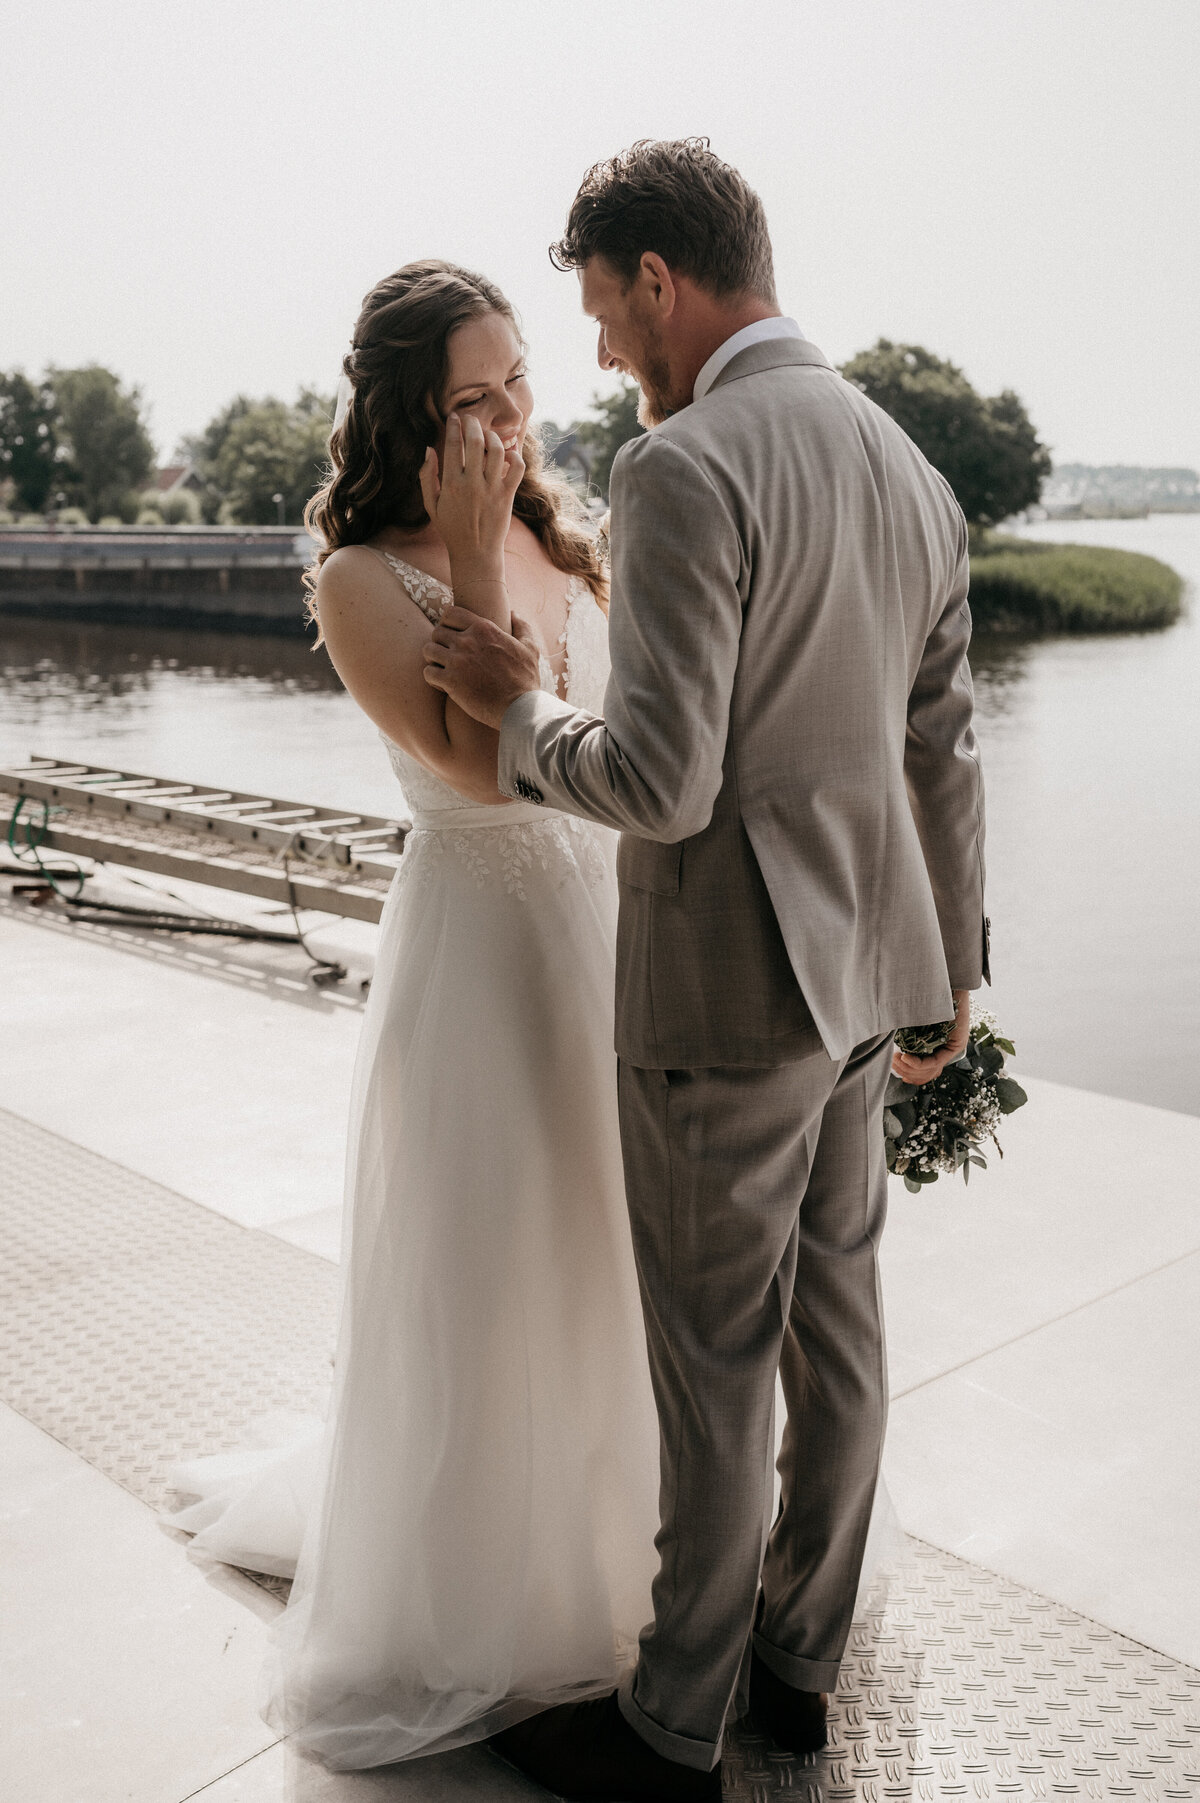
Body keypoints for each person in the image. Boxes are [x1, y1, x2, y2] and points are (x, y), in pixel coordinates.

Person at [424, 139, 988, 1803]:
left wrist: (522, 711)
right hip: (868, 983)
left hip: (724, 1000)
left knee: (715, 1372)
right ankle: (799, 1676)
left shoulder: (682, 467)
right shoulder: (907, 464)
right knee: (843, 1340)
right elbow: (942, 753)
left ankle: (671, 1728)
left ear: (660, 281)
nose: (601, 352)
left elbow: (662, 784)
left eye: (602, 313)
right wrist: (954, 967)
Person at [165, 259, 664, 1768]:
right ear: (407, 415)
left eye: (518, 376)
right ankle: (490, 1591)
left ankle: (646, 1549)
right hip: (478, 942)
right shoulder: (359, 575)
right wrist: (461, 537)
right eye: (474, 395)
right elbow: (470, 766)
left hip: (607, 920)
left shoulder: (561, 533)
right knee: (494, 1248)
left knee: (620, 1243)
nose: (514, 414)